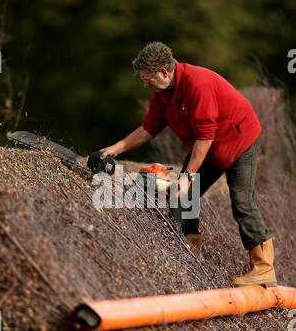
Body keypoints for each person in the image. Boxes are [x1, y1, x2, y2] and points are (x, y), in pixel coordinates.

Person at [100, 41, 276, 287]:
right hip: (210, 147)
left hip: (240, 140)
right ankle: (190, 255)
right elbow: (149, 128)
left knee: (242, 202)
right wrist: (115, 148)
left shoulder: (197, 84)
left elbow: (205, 135)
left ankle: (263, 267)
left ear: (164, 71)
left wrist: (187, 176)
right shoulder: (162, 94)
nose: (145, 83)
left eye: (147, 78)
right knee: (183, 198)